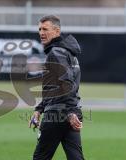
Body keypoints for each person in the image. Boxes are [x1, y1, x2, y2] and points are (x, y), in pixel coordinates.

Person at [29, 15, 85, 160]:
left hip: (57, 113)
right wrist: (39, 109)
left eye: (45, 29)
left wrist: (69, 112)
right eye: (39, 29)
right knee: (76, 158)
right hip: (70, 111)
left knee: (40, 157)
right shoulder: (69, 52)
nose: (41, 32)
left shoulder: (56, 53)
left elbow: (66, 84)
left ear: (56, 31)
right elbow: (55, 87)